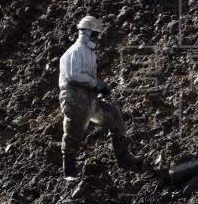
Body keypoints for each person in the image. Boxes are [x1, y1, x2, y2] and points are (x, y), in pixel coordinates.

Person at [59, 16, 141, 178]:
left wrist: (99, 88)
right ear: (87, 33)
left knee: (114, 118)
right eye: (95, 34)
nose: (97, 38)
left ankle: (124, 159)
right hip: (74, 97)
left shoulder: (90, 53)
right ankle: (69, 173)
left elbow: (87, 78)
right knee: (73, 133)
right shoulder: (75, 51)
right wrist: (96, 83)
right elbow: (73, 75)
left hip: (89, 98)